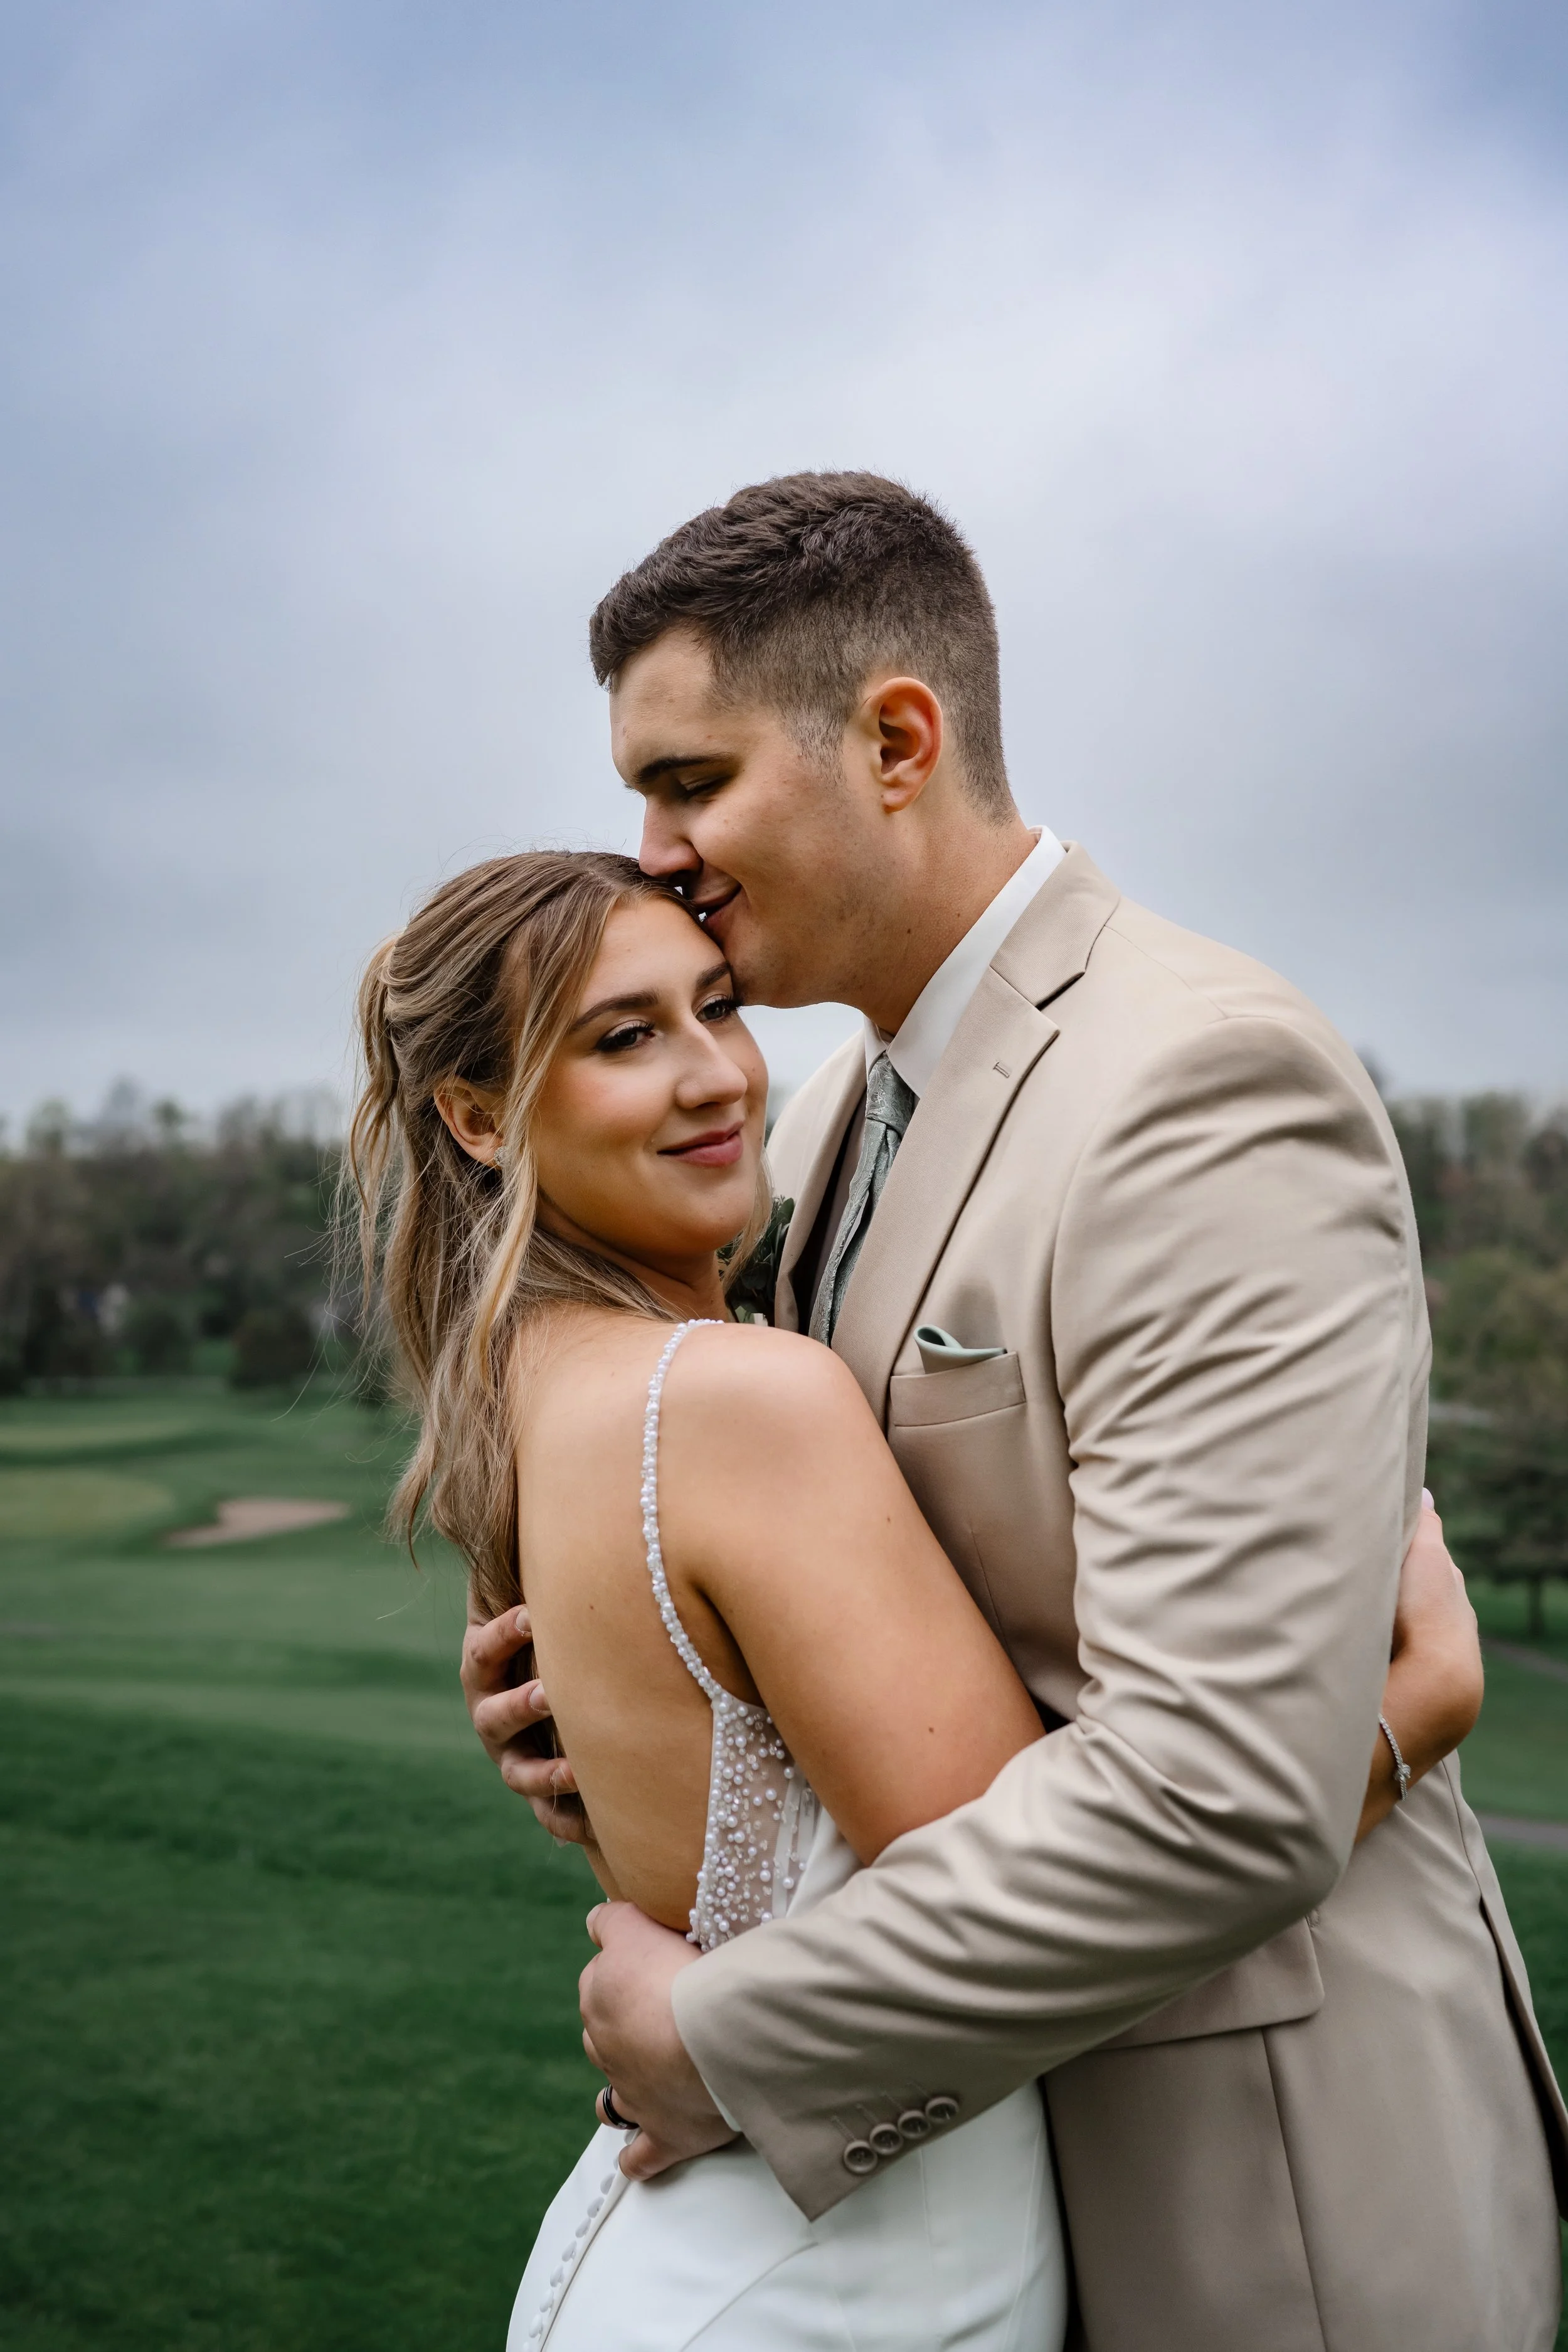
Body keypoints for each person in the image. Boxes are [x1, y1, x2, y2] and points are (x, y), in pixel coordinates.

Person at [462, 474, 1567, 2350]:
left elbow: (1218, 1789)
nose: (652, 851)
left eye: (692, 780)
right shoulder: (818, 1120)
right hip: (999, 2163)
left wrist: (720, 2035)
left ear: (896, 738)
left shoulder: (1198, 1082)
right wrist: (662, 1706)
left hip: (1264, 2191)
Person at [356, 851, 1480, 2352]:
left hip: (724, 2247)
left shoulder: (535, 1393)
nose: (717, 1079)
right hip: (835, 2286)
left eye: (714, 1008)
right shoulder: (743, 1398)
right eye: (623, 1038)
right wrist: (1403, 1713)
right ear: (479, 1116)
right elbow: (1043, 1882)